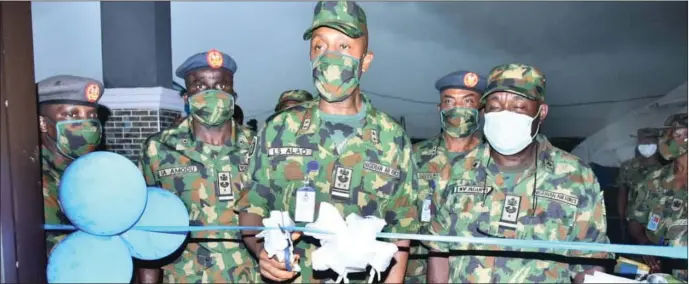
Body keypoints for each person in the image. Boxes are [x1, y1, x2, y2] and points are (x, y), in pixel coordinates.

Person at [235, 1, 418, 282]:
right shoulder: (278, 130)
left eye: (344, 47)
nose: (330, 56)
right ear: (310, 55)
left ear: (365, 61)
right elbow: (252, 208)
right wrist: (263, 251)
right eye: (320, 46)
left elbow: (401, 230)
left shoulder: (393, 140)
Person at [427, 63, 611, 283]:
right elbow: (439, 252)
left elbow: (589, 264)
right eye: (495, 106)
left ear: (541, 112)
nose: (505, 115)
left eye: (519, 107)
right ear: (484, 112)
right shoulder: (456, 172)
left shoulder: (577, 177)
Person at [136, 49, 257, 283]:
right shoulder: (158, 149)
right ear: (186, 97)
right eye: (200, 86)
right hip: (185, 277)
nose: (212, 93)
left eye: (221, 86)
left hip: (250, 276)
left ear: (234, 94)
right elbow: (146, 230)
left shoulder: (259, 146)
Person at [405, 70, 486, 283]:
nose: (458, 109)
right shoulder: (414, 156)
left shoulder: (494, 162)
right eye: (449, 101)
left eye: (468, 102)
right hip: (413, 271)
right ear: (439, 108)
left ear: (482, 109)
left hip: (469, 273)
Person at [39, 75, 105, 255]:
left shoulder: (100, 174)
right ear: (43, 123)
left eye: (92, 115)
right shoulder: (32, 180)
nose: (86, 122)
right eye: (72, 114)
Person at [627, 113, 687, 275]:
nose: (664, 140)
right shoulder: (653, 179)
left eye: (672, 134)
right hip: (657, 267)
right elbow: (635, 219)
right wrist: (645, 244)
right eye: (665, 135)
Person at [616, 128, 663, 242]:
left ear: (658, 143)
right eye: (643, 141)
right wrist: (621, 219)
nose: (646, 145)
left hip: (659, 221)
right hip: (633, 221)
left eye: (650, 142)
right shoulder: (628, 167)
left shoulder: (666, 169)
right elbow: (622, 192)